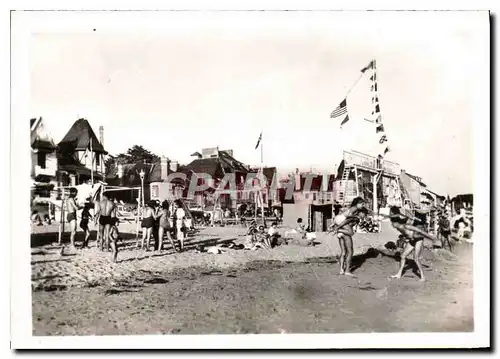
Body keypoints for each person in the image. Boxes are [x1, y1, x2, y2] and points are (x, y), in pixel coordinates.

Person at [388, 207, 439, 282]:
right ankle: (399, 274)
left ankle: (422, 277)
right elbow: (393, 217)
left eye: (394, 224)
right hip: (412, 240)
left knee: (416, 258)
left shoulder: (405, 226)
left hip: (418, 239)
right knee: (403, 256)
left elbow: (420, 231)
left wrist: (432, 238)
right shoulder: (399, 225)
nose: (393, 225)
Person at [330, 207, 368, 277]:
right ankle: (347, 270)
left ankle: (341, 270)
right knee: (350, 251)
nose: (365, 216)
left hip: (341, 233)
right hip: (345, 233)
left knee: (343, 251)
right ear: (361, 213)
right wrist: (338, 228)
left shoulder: (354, 216)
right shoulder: (356, 217)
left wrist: (337, 227)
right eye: (364, 214)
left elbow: (345, 221)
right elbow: (347, 221)